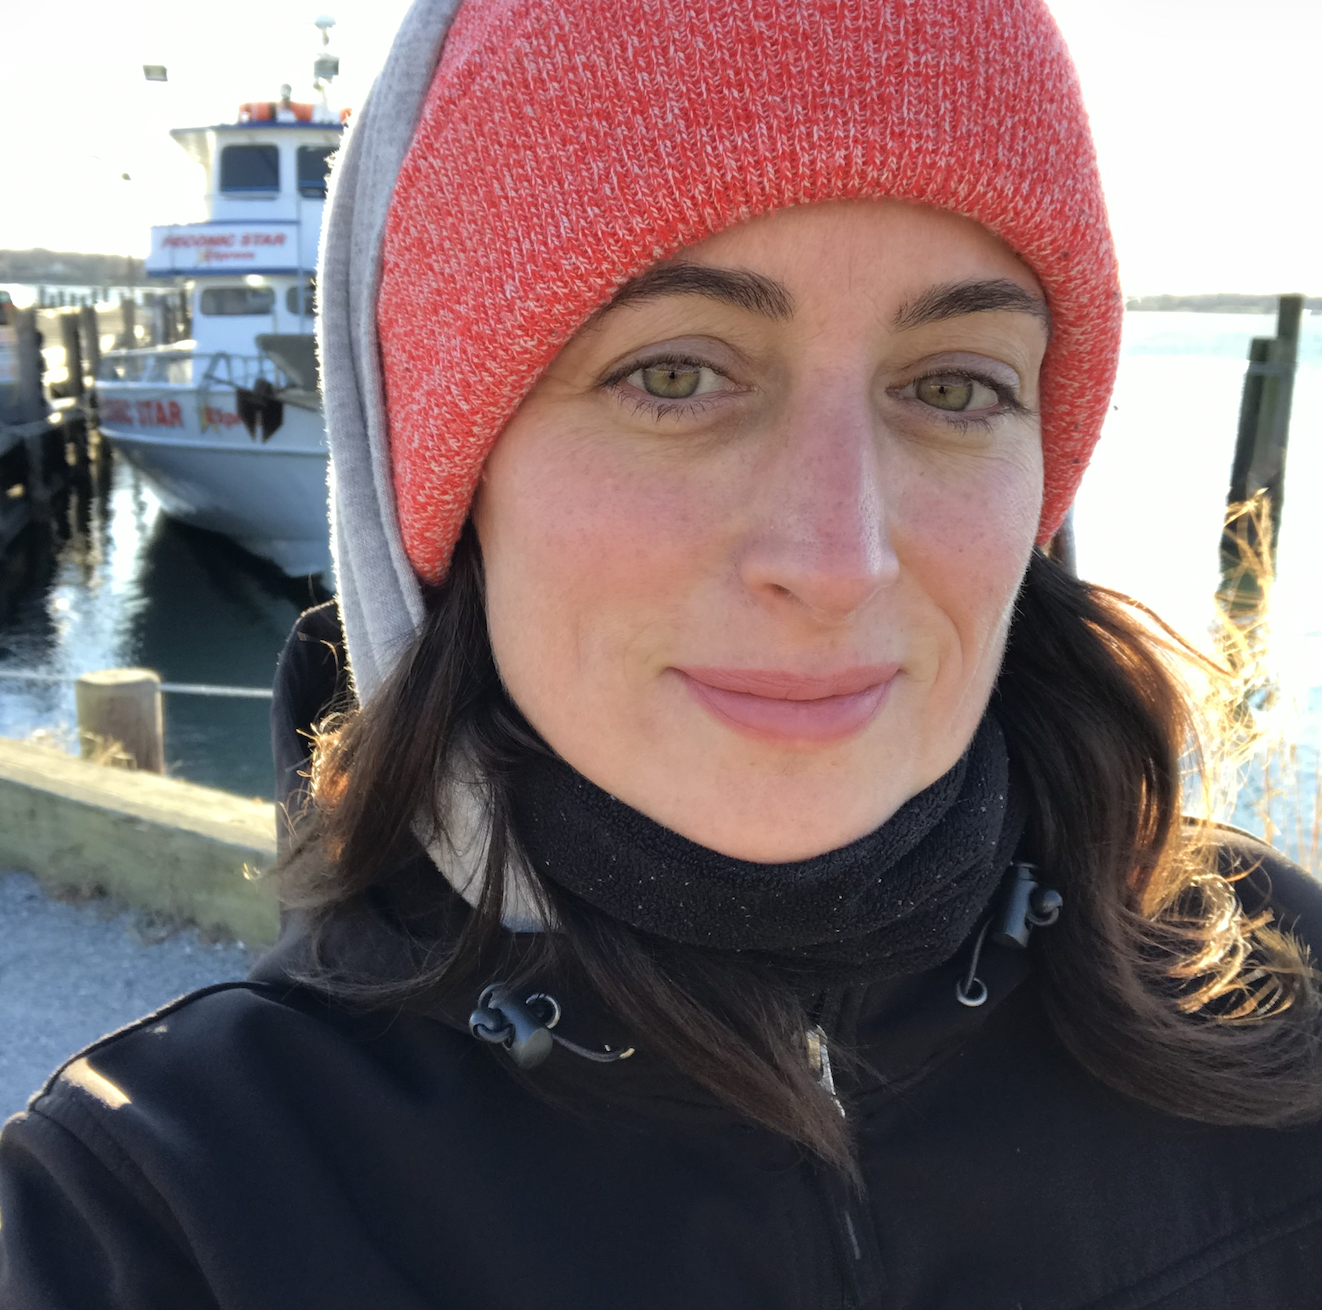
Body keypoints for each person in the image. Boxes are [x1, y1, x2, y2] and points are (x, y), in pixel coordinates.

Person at [3, 0, 1322, 1306]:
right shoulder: (151, 1227)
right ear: (447, 483)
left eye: (953, 386)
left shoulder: (1279, 989)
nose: (839, 557)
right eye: (675, 376)